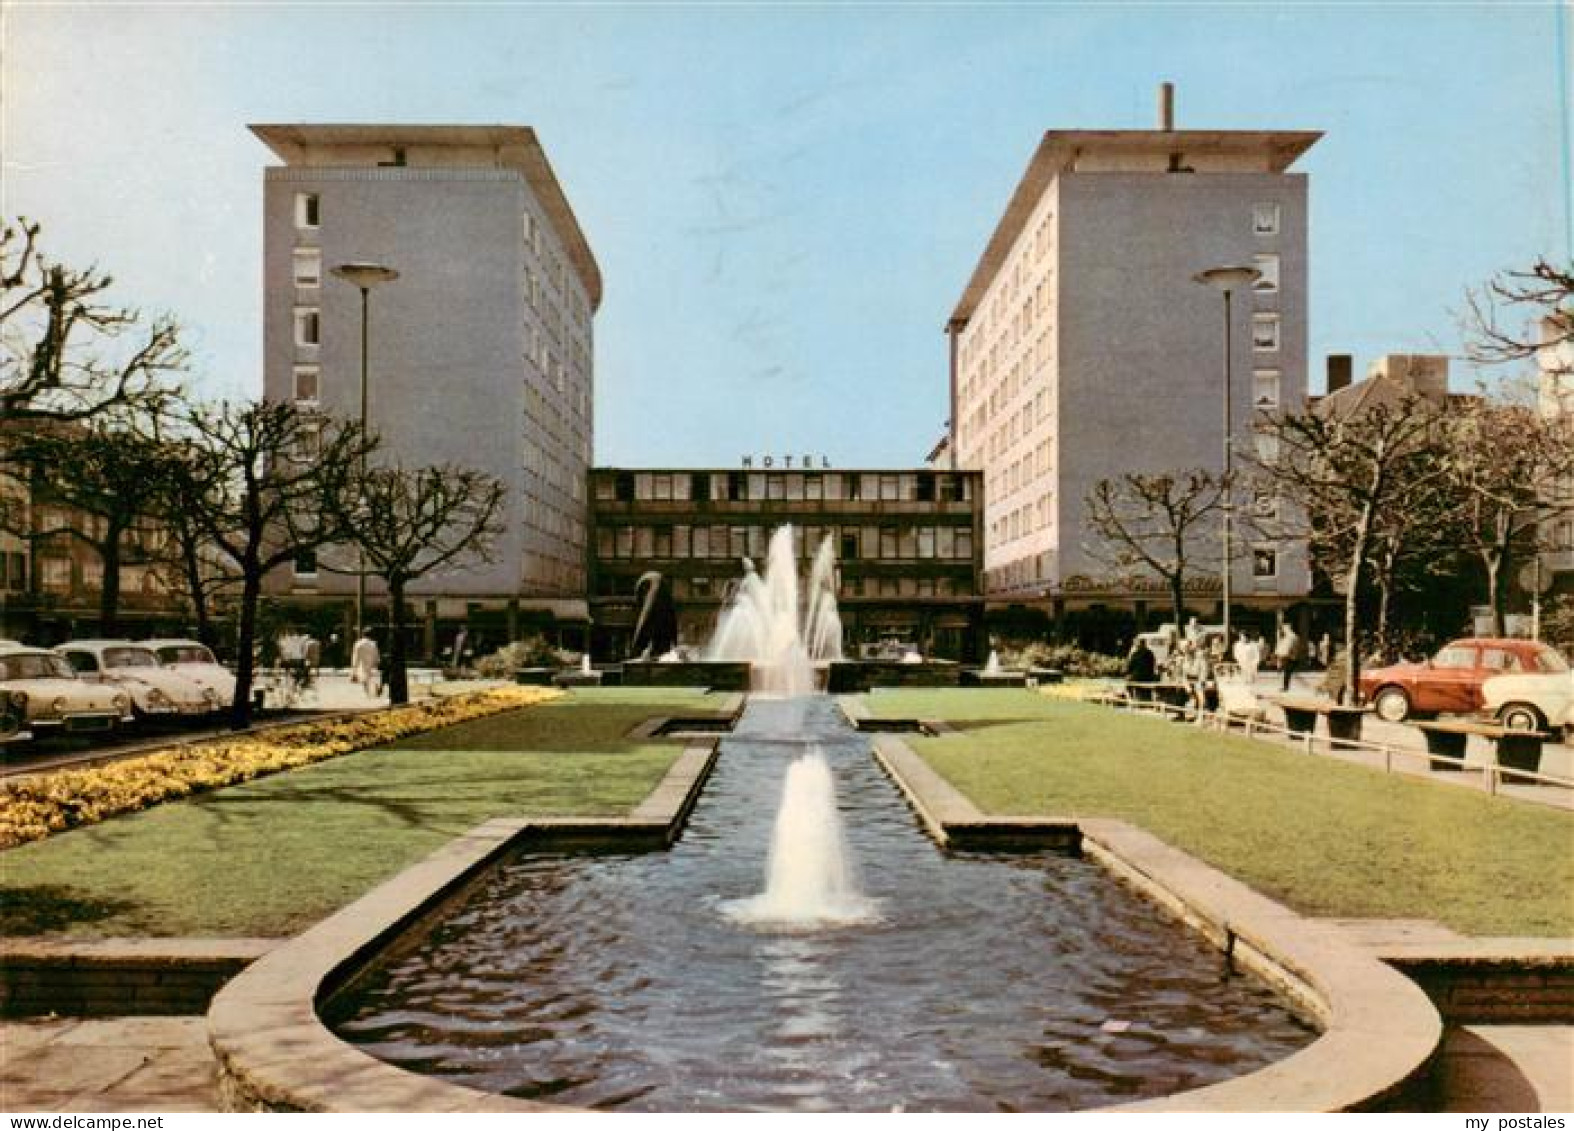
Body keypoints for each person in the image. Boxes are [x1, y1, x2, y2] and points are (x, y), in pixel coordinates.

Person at [350, 629, 382, 698]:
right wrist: (378, 661)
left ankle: (367, 693)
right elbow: (376, 653)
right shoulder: (373, 643)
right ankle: (375, 687)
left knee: (364, 678)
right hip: (372, 662)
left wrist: (354, 668)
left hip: (362, 662)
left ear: (363, 634)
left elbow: (355, 656)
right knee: (371, 677)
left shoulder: (358, 643)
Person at [1275, 624, 1306, 692]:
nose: (1283, 630)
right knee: (1287, 672)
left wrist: (1286, 654)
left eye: (1284, 629)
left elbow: (1291, 647)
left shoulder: (1291, 637)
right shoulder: (1292, 636)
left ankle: (1285, 687)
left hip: (1291, 657)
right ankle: (1285, 687)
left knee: (1287, 672)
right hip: (1291, 656)